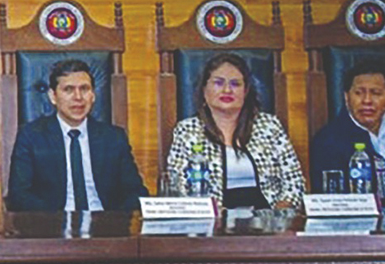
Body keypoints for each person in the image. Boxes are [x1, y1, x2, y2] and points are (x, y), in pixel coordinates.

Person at [165, 52, 304, 208]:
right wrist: (212, 213)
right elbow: (179, 186)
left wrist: (280, 213)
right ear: (204, 90)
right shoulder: (187, 131)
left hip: (268, 219)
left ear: (245, 91)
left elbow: (294, 181)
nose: (227, 90)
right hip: (212, 223)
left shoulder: (269, 126)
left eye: (235, 84)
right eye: (218, 83)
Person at [6, 59, 147, 212]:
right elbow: (19, 195)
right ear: (53, 96)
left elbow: (136, 192)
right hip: (52, 227)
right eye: (68, 90)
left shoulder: (113, 138)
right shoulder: (32, 136)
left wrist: (115, 222)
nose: (78, 97)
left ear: (93, 95)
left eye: (84, 89)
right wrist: (55, 222)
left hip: (106, 226)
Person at [310, 60, 385, 192]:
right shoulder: (327, 142)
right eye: (359, 93)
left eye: (376, 93)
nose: (367, 101)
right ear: (346, 97)